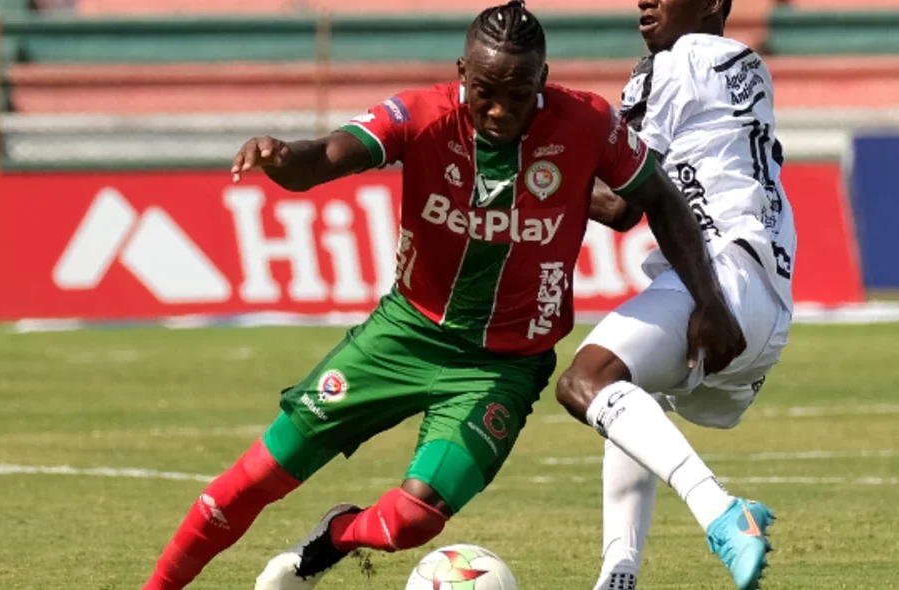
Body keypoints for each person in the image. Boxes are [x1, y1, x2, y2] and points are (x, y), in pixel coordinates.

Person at [142, 3, 742, 589]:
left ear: (544, 79)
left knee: (414, 518)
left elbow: (659, 198)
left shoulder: (587, 123)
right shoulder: (419, 115)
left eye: (519, 92)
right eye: (486, 91)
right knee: (257, 477)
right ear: (462, 73)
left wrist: (708, 300)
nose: (501, 109)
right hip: (403, 337)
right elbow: (326, 155)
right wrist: (281, 156)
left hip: (501, 367)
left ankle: (332, 540)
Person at [554, 0, 798, 588]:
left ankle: (721, 510)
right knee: (629, 400)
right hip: (770, 295)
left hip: (719, 281)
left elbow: (619, 206)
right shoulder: (745, 63)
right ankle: (619, 572)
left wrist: (531, 173)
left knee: (587, 380)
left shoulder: (669, 64)